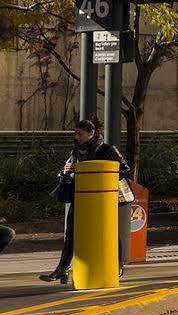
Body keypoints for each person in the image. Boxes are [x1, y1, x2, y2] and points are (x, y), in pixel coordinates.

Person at [41, 118, 127, 284]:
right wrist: (66, 171)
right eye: (76, 133)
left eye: (80, 134)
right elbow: (67, 169)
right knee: (71, 232)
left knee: (108, 231)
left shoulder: (107, 150)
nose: (77, 137)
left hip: (102, 199)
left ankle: (117, 265)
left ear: (91, 133)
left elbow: (124, 169)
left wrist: (96, 174)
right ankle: (62, 269)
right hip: (80, 197)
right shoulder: (76, 151)